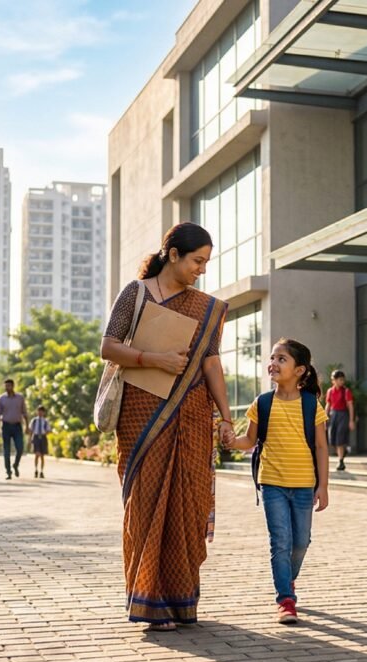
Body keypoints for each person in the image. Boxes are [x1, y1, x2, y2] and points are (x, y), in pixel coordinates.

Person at [99, 222, 234, 632]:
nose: (202, 270)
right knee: (145, 503)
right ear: (172, 254)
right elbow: (108, 346)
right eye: (197, 260)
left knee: (188, 502)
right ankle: (150, 601)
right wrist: (153, 360)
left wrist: (225, 418)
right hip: (142, 413)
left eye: (206, 262)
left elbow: (211, 362)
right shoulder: (136, 294)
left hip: (192, 414)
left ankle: (180, 600)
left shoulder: (206, 307)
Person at [227, 338, 329, 625]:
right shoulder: (262, 403)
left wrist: (323, 486)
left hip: (303, 484)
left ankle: (288, 579)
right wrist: (230, 441)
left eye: (282, 359)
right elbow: (249, 439)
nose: (273, 363)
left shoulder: (311, 405)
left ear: (300, 370)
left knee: (301, 542)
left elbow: (321, 447)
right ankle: (285, 598)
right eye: (272, 358)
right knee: (280, 542)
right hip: (271, 482)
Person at [0, 379, 29, 479]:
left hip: (17, 426)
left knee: (20, 448)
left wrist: (27, 426)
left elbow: (25, 413)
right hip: (6, 426)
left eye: (9, 386)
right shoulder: (1, 399)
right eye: (6, 386)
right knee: (7, 450)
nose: (7, 388)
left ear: (13, 386)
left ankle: (16, 465)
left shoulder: (20, 398)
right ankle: (8, 471)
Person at [325, 370, 355, 472]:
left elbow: (350, 406)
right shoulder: (330, 391)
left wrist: (351, 420)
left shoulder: (346, 391)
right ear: (334, 380)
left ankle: (341, 461)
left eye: (343, 379)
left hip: (343, 414)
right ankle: (344, 450)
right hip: (333, 415)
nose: (342, 382)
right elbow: (328, 405)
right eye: (339, 379)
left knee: (339, 437)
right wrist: (325, 418)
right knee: (332, 438)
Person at [28, 405, 51, 479]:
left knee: (42, 456)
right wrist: (30, 439)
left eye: (42, 411)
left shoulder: (45, 421)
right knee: (37, 454)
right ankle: (36, 469)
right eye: (39, 411)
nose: (40, 413)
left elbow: (48, 430)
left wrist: (45, 433)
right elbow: (31, 430)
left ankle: (41, 471)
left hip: (43, 438)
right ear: (37, 412)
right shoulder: (34, 421)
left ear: (44, 412)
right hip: (36, 437)